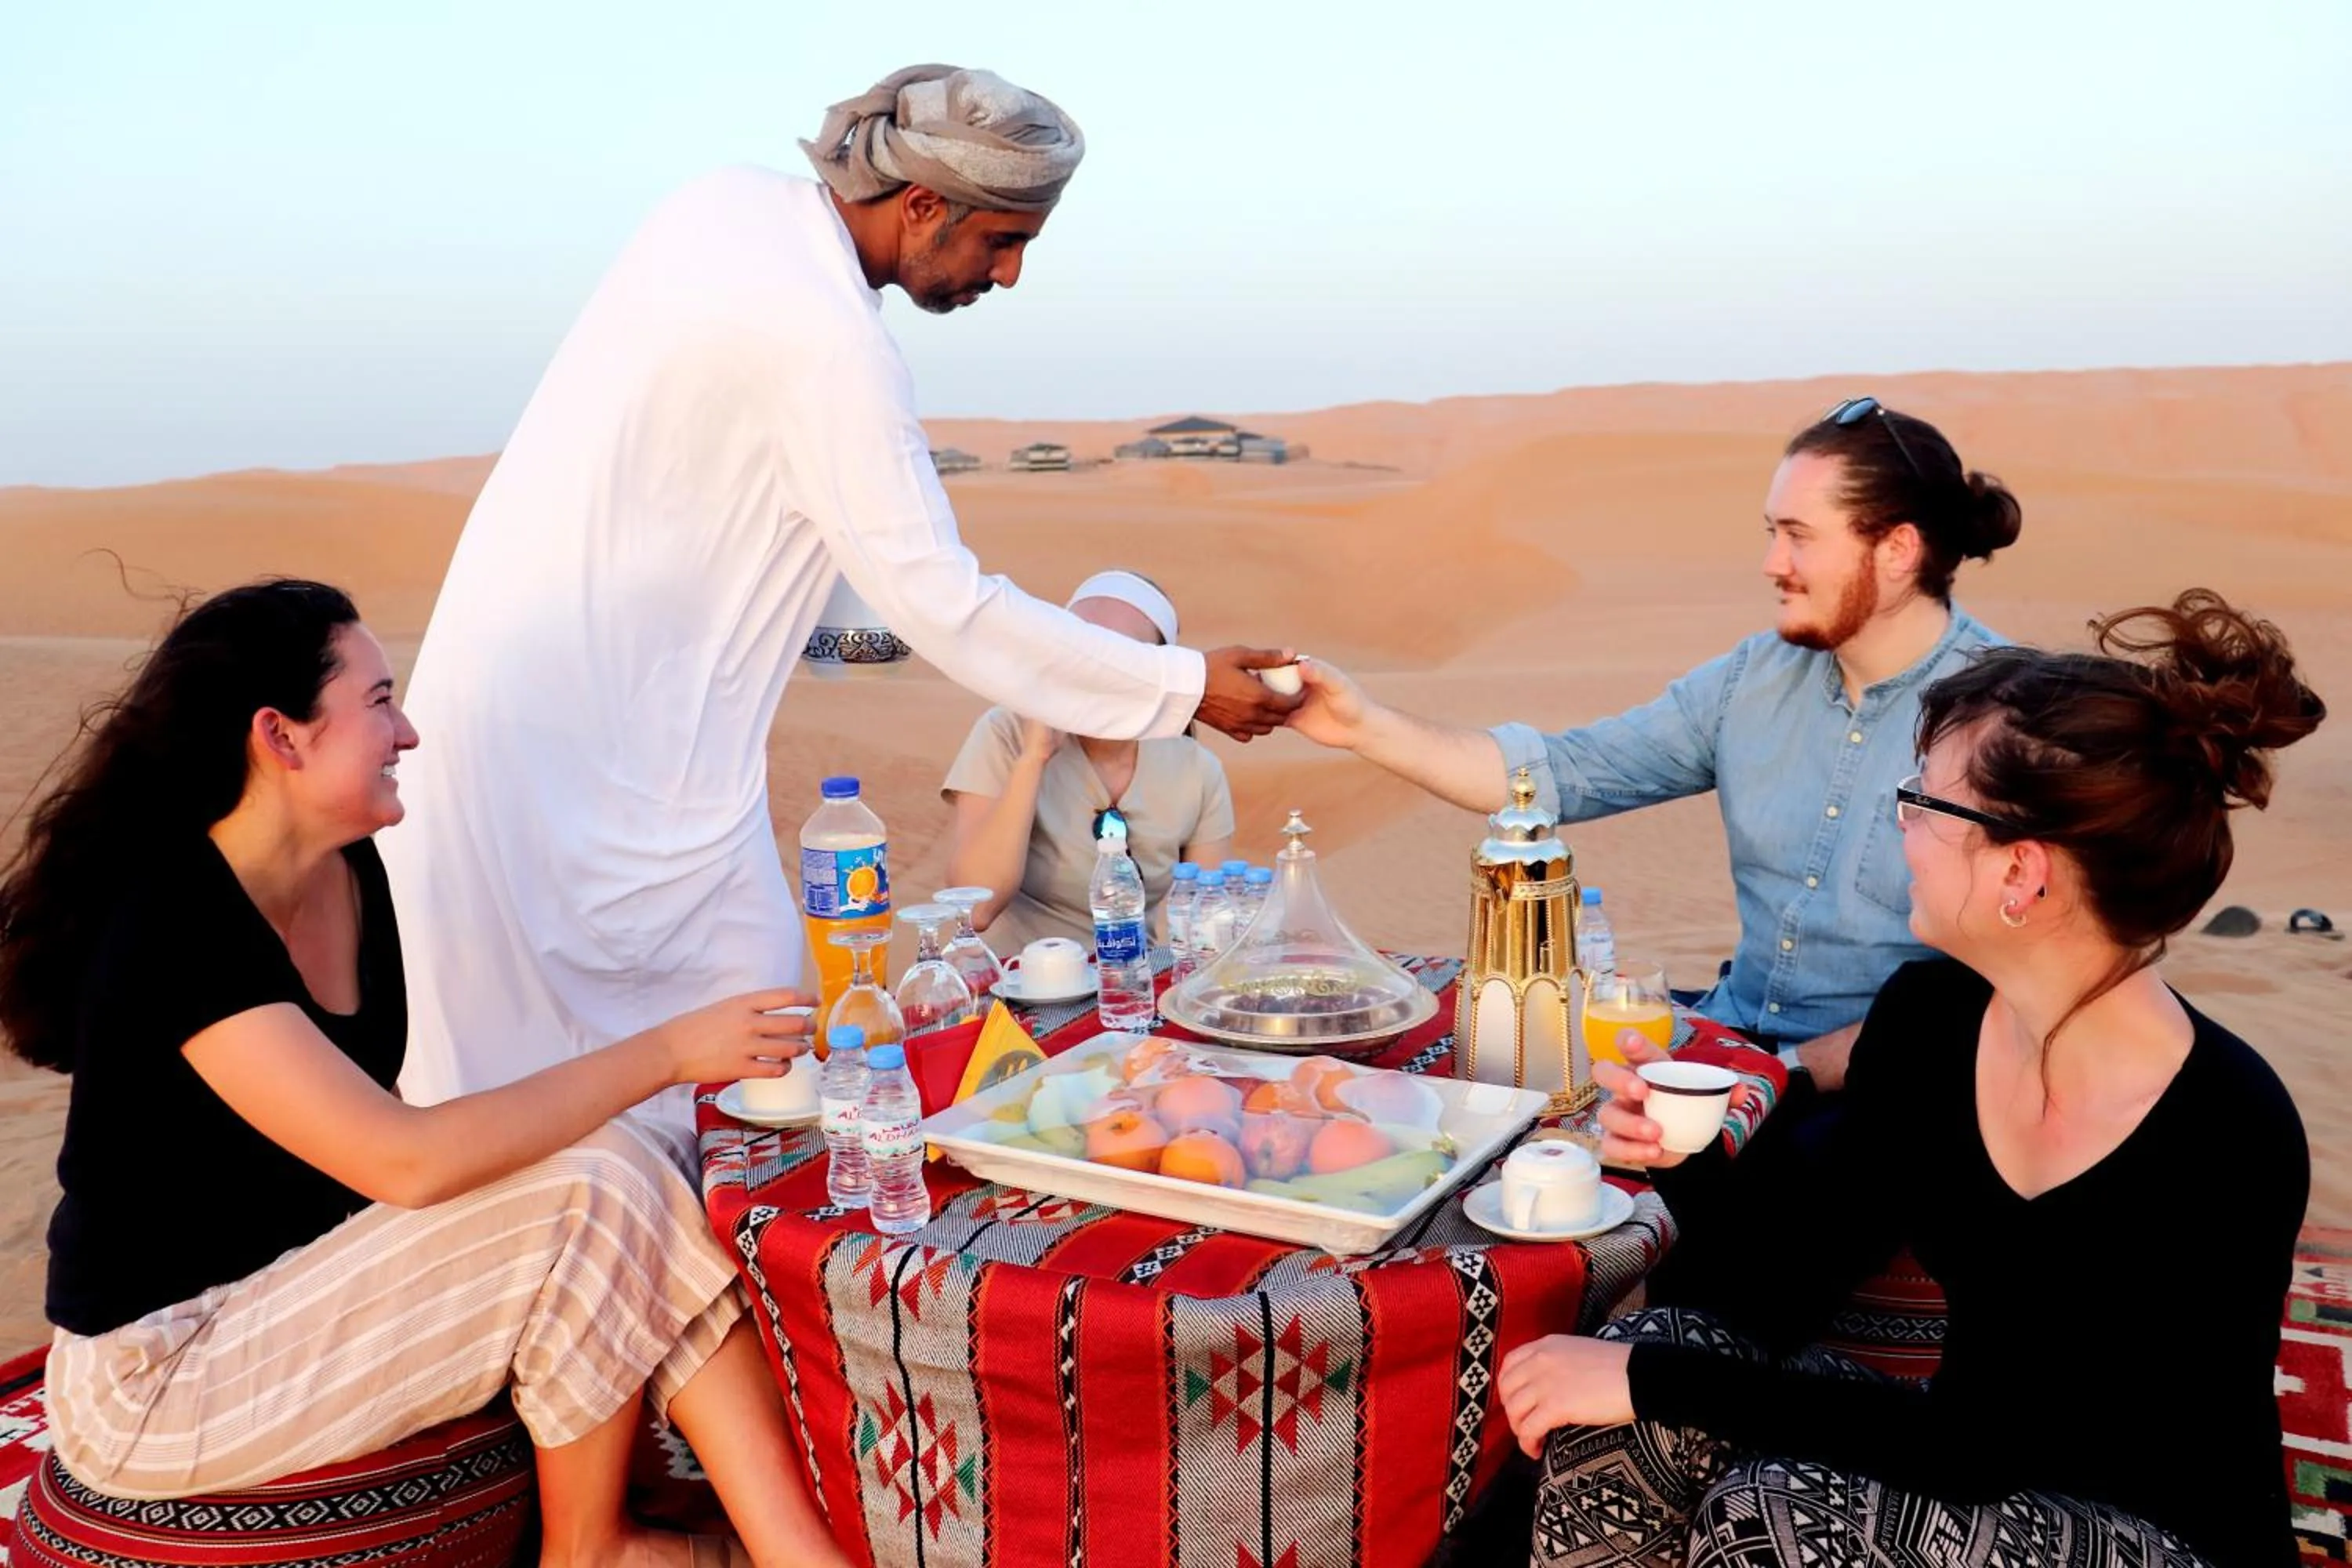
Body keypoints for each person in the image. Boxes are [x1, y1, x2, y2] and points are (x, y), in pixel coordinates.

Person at [379, 64, 1299, 1138]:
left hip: (639, 768)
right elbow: (945, 606)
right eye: (1004, 241)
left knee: (751, 1074)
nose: (1007, 277)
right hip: (569, 781)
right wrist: (1179, 685)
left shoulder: (721, 206)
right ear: (920, 207)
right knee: (571, 1124)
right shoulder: (829, 344)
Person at [0, 582, 851, 1568]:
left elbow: (381, 1130)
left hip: (295, 1296)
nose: (406, 731)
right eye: (378, 701)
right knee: (592, 1180)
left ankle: (796, 1548)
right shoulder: (174, 923)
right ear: (281, 736)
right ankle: (594, 1548)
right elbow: (402, 1162)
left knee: (631, 1151)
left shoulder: (349, 874)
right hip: (165, 1377)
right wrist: (665, 1051)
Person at [1496, 590, 2322, 1568]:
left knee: (1772, 1507)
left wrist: (1650, 1380)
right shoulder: (1931, 1022)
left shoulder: (2225, 1133)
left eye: (1922, 800)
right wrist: (1681, 1157)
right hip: (1968, 1454)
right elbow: (1776, 1289)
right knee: (1661, 1362)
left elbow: (1984, 1446)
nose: (1899, 824)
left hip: (2154, 1529)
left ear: (2023, 873)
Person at [1284, 398, 2020, 1085]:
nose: (1772, 564)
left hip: (1899, 1083)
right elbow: (1556, 774)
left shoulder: (2012, 719)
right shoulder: (1750, 680)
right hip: (1732, 1049)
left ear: (1897, 550)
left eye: (1799, 536)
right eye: (1772, 533)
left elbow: (2007, 991)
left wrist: (1774, 1082)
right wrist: (1361, 726)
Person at [941, 569, 1236, 950]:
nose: (1094, 669)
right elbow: (976, 908)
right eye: (1082, 648)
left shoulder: (1196, 769)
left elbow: (1207, 933)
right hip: (1016, 991)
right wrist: (1033, 758)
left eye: (1117, 655)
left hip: (1127, 993)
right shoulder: (1006, 733)